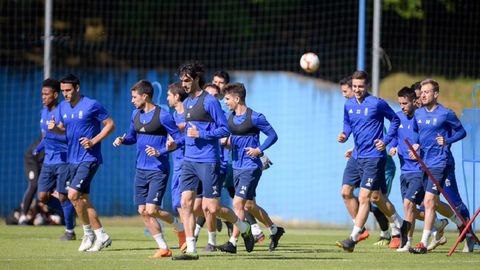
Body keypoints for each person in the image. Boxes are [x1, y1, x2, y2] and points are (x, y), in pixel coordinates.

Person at [172, 62, 254, 260]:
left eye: (187, 80)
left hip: (208, 161)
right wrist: (177, 141)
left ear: (197, 79)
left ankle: (243, 227)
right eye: (182, 80)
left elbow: (224, 130)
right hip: (189, 161)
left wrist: (200, 133)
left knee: (212, 208)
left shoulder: (210, 102)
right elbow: (190, 133)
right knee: (186, 204)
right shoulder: (188, 103)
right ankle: (191, 249)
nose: (183, 84)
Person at [112, 80, 185, 258]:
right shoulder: (135, 114)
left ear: (145, 96)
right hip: (141, 169)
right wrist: (122, 141)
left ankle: (180, 227)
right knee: (142, 211)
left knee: (152, 209)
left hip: (158, 169)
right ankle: (163, 248)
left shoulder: (163, 115)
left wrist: (160, 151)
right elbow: (131, 137)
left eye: (134, 97)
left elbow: (181, 139)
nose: (132, 100)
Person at [336, 70, 403, 252]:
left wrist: (386, 141)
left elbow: (395, 120)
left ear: (367, 86)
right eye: (355, 86)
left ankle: (353, 237)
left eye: (360, 86)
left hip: (374, 157)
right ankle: (397, 224)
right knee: (348, 192)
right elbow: (348, 124)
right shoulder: (348, 104)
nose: (357, 90)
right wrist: (345, 134)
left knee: (366, 197)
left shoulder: (377, 103)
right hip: (357, 156)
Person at [216, 82, 284, 253]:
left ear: (237, 99)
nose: (225, 102)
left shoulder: (255, 117)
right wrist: (226, 142)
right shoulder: (229, 118)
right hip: (237, 167)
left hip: (251, 167)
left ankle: (233, 242)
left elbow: (273, 135)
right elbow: (231, 140)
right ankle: (275, 230)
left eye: (228, 99)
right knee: (249, 206)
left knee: (237, 203)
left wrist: (259, 149)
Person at [50, 74, 114, 252]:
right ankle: (101, 235)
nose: (65, 94)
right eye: (63, 91)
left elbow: (110, 124)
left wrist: (93, 141)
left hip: (89, 158)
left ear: (77, 88)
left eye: (68, 90)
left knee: (72, 195)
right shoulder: (63, 107)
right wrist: (55, 128)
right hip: (72, 160)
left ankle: (88, 234)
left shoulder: (92, 105)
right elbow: (64, 130)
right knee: (84, 200)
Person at [409, 79, 467, 254]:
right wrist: (417, 146)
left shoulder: (446, 113)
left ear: (435, 94)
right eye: (423, 92)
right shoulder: (418, 114)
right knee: (429, 202)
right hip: (424, 163)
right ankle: (460, 224)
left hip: (440, 163)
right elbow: (418, 135)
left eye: (427, 92)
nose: (423, 95)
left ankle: (423, 243)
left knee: (428, 202)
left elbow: (462, 131)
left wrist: (447, 140)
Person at [36, 78, 76, 240]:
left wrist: (57, 131)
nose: (43, 97)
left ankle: (69, 231)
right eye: (42, 94)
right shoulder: (43, 112)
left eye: (46, 94)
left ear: (55, 95)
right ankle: (70, 211)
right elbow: (45, 136)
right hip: (48, 161)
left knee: (62, 195)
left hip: (63, 160)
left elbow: (67, 135)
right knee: (42, 196)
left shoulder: (63, 110)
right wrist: (38, 149)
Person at [17, 136, 44, 225]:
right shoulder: (47, 136)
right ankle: (23, 216)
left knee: (47, 187)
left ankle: (42, 213)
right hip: (31, 161)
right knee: (34, 185)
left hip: (42, 164)